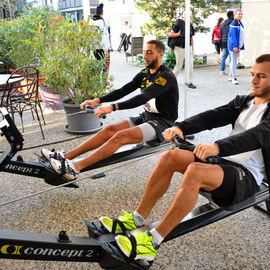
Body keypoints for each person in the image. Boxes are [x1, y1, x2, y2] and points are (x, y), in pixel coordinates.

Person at [98, 54, 270, 261]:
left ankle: (151, 242)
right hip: (225, 163)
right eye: (252, 74)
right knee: (170, 157)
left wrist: (218, 147)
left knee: (196, 171)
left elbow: (258, 135)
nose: (253, 80)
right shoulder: (244, 102)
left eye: (262, 76)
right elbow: (213, 116)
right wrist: (180, 127)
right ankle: (137, 218)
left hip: (247, 175)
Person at [42, 40, 179, 181]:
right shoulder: (145, 73)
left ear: (161, 54)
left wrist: (112, 107)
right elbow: (123, 90)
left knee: (120, 137)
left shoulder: (166, 76)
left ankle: (75, 168)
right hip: (147, 117)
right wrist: (97, 100)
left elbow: (143, 97)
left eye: (149, 53)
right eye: (144, 52)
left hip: (163, 123)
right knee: (110, 130)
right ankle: (65, 156)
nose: (145, 56)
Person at [168, 12, 196, 89]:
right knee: (179, 65)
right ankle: (171, 81)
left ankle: (189, 82)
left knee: (190, 65)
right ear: (184, 16)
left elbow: (191, 38)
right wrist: (178, 34)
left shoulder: (190, 25)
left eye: (190, 16)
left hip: (188, 47)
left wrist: (192, 49)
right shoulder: (178, 22)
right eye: (188, 16)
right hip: (179, 47)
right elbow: (171, 34)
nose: (190, 18)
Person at [227, 9, 244, 85]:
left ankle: (230, 76)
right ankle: (234, 78)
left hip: (238, 45)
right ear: (235, 14)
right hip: (234, 46)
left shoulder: (239, 23)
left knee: (233, 61)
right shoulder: (234, 23)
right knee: (233, 62)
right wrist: (235, 46)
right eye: (239, 14)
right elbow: (233, 36)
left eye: (241, 14)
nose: (240, 15)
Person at [220, 11, 234, 75]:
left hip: (224, 41)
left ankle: (222, 71)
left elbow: (221, 34)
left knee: (224, 57)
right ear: (231, 15)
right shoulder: (233, 23)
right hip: (230, 42)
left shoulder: (223, 24)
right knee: (231, 57)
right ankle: (231, 72)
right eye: (233, 15)